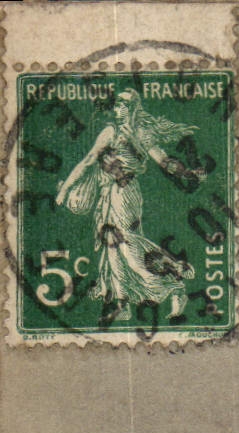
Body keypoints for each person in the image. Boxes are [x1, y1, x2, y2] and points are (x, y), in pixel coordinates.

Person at [53, 90, 207, 322]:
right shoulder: (112, 131)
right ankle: (122, 304)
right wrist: (66, 189)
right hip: (110, 193)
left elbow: (164, 162)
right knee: (112, 247)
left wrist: (187, 173)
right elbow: (89, 160)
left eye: (123, 105)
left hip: (124, 193)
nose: (118, 109)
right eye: (117, 105)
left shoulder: (136, 133)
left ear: (133, 108)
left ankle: (174, 282)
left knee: (128, 245)